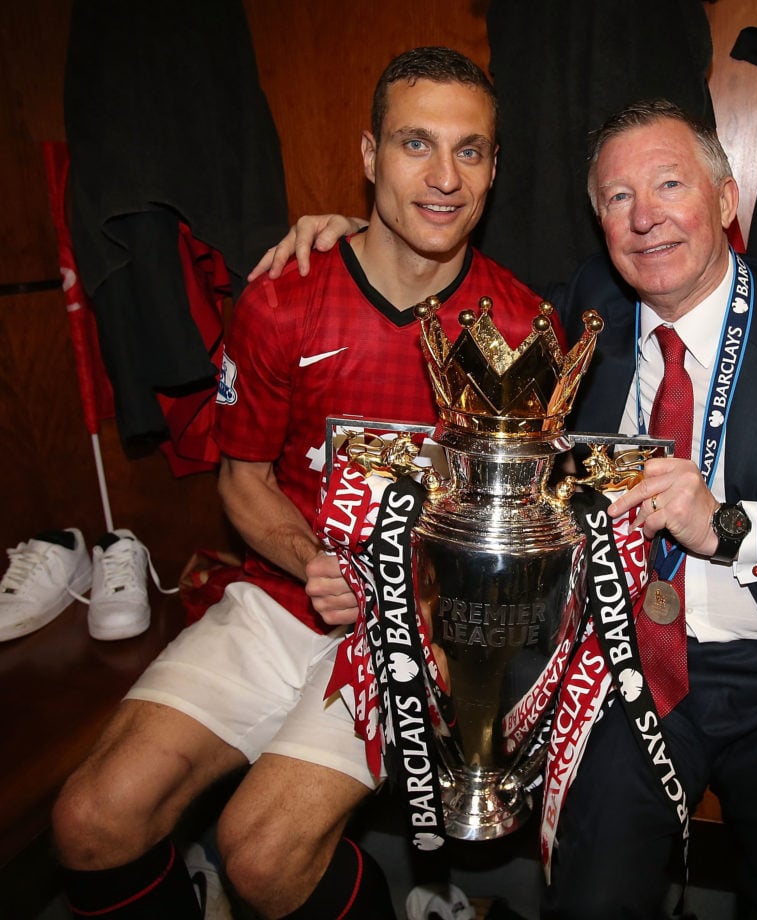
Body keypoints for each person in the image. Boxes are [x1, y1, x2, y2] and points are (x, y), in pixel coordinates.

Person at [256, 99, 757, 920]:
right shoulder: (585, 317)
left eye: (668, 184)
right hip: (625, 669)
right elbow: (449, 281)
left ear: (726, 202)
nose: (645, 218)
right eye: (618, 199)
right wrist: (362, 232)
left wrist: (728, 524)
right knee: (591, 896)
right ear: (599, 225)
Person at [50, 47, 548, 920]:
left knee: (263, 852)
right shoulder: (285, 294)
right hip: (282, 596)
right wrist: (316, 557)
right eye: (414, 144)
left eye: (470, 151)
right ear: (367, 157)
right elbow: (241, 482)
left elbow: (518, 538)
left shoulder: (522, 328)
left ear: (495, 167)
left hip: (419, 632)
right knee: (94, 819)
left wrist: (415, 595)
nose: (443, 177)